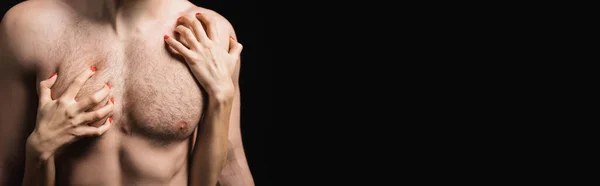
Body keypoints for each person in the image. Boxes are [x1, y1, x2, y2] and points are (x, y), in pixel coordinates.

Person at [0, 0, 254, 185]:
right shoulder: (27, 28)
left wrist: (222, 95)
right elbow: (8, 165)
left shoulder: (208, 34)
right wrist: (38, 148)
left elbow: (229, 164)